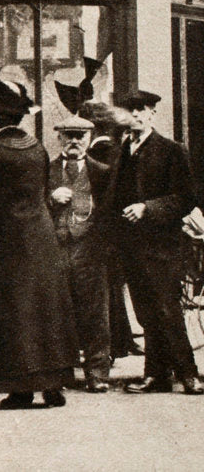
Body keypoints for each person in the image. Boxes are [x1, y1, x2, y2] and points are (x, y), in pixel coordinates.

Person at [0, 77, 78, 409]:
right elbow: (43, 190)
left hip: (7, 241)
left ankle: (20, 389)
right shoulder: (37, 148)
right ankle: (54, 383)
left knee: (13, 312)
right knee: (46, 310)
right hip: (41, 237)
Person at [101, 91, 203, 395]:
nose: (134, 116)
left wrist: (147, 208)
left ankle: (189, 374)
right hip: (131, 246)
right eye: (128, 111)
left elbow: (186, 199)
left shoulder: (171, 150)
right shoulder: (122, 150)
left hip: (163, 247)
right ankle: (155, 375)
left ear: (151, 114)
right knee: (146, 312)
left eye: (140, 111)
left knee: (167, 310)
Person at [46, 115, 112, 393]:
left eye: (80, 136)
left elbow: (110, 213)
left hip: (90, 251)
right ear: (59, 137)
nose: (74, 141)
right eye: (68, 135)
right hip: (54, 249)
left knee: (95, 313)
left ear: (89, 137)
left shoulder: (103, 171)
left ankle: (97, 373)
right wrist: (50, 198)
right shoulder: (45, 171)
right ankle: (60, 374)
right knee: (57, 311)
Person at [79, 101, 144, 359]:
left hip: (101, 228)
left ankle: (116, 343)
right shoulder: (117, 149)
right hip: (120, 228)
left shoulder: (98, 152)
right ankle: (121, 340)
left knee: (105, 289)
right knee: (113, 287)